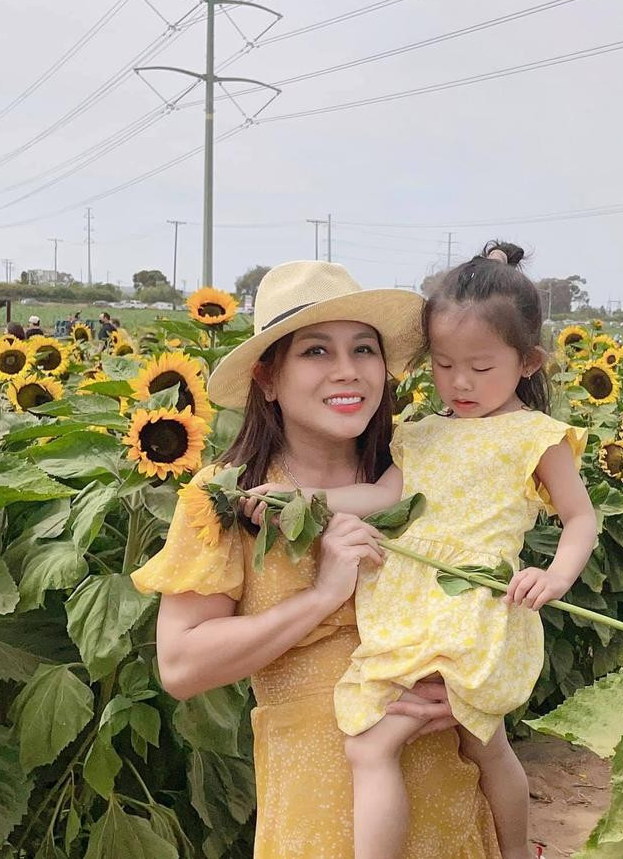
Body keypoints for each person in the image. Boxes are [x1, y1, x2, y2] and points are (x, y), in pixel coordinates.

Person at [132, 260, 501, 859]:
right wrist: (323, 596)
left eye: (363, 349)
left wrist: (473, 680)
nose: (347, 371)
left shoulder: (421, 474)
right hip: (320, 801)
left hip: (445, 782)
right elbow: (180, 665)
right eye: (315, 352)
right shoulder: (229, 496)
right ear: (268, 378)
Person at [252, 243, 596, 859]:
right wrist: (295, 497)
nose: (459, 383)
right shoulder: (423, 432)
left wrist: (557, 576)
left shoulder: (535, 437)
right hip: (412, 604)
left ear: (528, 363)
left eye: (481, 368)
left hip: (472, 601)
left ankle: (514, 852)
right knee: (479, 745)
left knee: (381, 744)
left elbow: (579, 518)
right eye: (442, 365)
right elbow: (383, 497)